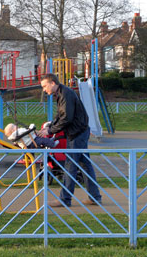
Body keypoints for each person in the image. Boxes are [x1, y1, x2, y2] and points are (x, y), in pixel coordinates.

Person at [38, 73, 102, 207]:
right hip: (79, 132)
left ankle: (65, 199)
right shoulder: (62, 93)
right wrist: (50, 126)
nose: (44, 90)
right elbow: (60, 115)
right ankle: (95, 197)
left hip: (77, 133)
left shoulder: (65, 94)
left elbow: (67, 118)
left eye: (45, 86)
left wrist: (50, 130)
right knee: (84, 164)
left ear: (53, 83)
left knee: (70, 165)